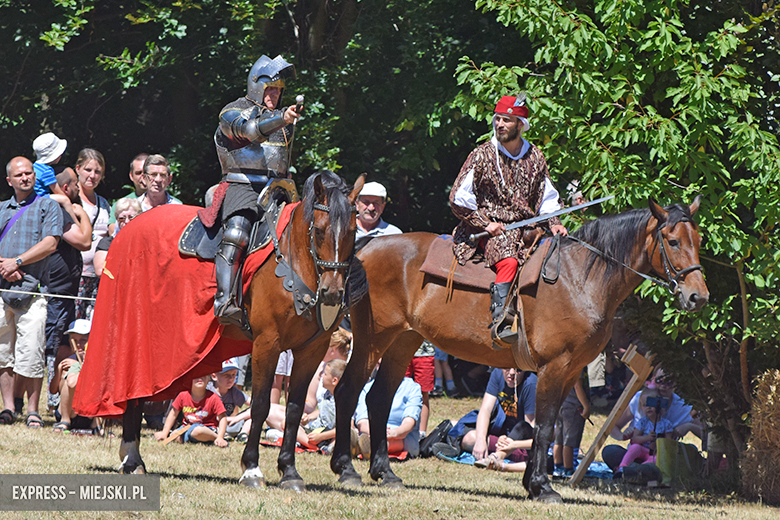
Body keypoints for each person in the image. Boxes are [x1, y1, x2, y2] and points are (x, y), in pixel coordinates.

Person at [449, 94, 567, 341]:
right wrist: (485, 223)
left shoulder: (535, 156)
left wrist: (555, 224)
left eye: (507, 120)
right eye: (498, 119)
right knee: (509, 262)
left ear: (520, 124)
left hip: (529, 228)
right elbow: (458, 197)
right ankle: (501, 321)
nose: (500, 124)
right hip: (491, 228)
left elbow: (547, 196)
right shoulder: (482, 155)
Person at [205, 54, 302, 327]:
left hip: (278, 189)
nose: (275, 94)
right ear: (256, 86)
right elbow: (250, 132)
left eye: (279, 90)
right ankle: (224, 300)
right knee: (237, 231)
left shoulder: (283, 123)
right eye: (270, 88)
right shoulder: (232, 112)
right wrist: (282, 118)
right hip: (241, 185)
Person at [0, 157, 62, 427]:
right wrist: (4, 266)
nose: (25, 177)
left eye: (29, 173)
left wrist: (19, 261)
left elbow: (50, 243)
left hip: (34, 291)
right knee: (3, 352)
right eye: (20, 174)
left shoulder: (48, 205)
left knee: (33, 351)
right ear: (9, 180)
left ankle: (33, 410)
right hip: (2, 289)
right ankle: (8, 408)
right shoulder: (2, 208)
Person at [44, 166, 91, 413]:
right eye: (75, 184)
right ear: (66, 188)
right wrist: (81, 215)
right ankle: (54, 401)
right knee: (53, 344)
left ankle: (63, 398)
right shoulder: (60, 212)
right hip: (55, 291)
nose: (78, 187)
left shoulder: (62, 207)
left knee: (62, 341)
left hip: (66, 292)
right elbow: (84, 241)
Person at [601, 366, 703, 472]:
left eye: (668, 382)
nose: (663, 386)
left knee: (689, 454)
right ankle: (636, 469)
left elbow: (707, 436)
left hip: (661, 459)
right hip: (635, 454)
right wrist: (623, 435)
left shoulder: (683, 408)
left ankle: (636, 471)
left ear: (675, 384)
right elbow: (613, 426)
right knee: (610, 451)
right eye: (659, 381)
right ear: (653, 379)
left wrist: (690, 426)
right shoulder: (640, 398)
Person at [434, 367, 536, 470]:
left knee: (470, 439)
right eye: (507, 368)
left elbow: (527, 430)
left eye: (518, 370)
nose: (512, 373)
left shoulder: (530, 384)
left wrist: (511, 443)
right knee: (455, 424)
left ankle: (492, 456)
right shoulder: (497, 373)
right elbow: (485, 410)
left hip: (517, 444)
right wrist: (480, 441)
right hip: (501, 431)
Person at [73, 148, 110, 320]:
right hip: (75, 275)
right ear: (78, 169)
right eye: (88, 170)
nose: (92, 176)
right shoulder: (71, 200)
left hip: (96, 277)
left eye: (98, 172)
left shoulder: (104, 203)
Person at [353, 375, 424, 458]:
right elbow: (362, 422)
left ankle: (362, 447)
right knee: (367, 436)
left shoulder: (412, 388)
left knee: (390, 441)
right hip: (371, 433)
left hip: (402, 437)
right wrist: (377, 432)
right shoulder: (367, 388)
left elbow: (409, 424)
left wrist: (391, 433)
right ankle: (367, 446)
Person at [49, 319, 98, 432]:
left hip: (89, 414)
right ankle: (65, 420)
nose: (79, 344)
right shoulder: (68, 361)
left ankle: (96, 424)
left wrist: (82, 366)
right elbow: (53, 390)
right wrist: (59, 370)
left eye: (83, 340)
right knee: (67, 374)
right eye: (75, 340)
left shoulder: (97, 361)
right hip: (69, 412)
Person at [154, 374, 228, 447]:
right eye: (196, 375)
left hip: (207, 428)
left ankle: (216, 439)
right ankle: (193, 439)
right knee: (175, 436)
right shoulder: (183, 395)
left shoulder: (213, 397)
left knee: (197, 431)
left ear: (208, 379)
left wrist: (220, 437)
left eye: (204, 375)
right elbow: (173, 414)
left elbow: (223, 417)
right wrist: (165, 432)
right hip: (186, 427)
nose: (200, 377)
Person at [552, 370, 590, 478]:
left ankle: (557, 468)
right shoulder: (578, 362)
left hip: (560, 403)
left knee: (559, 438)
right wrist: (586, 406)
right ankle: (568, 470)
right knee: (569, 441)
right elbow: (577, 386)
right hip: (573, 406)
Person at [93, 198, 142, 277]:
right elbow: (100, 271)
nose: (126, 221)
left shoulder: (145, 242)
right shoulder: (107, 243)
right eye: (122, 218)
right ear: (116, 218)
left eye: (131, 217)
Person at [208, 358, 250, 441]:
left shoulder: (234, 391)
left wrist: (238, 418)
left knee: (252, 417)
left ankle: (243, 434)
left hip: (230, 424)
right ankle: (222, 434)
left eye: (234, 374)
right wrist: (228, 419)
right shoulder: (208, 390)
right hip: (213, 425)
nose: (231, 378)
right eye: (226, 375)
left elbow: (255, 405)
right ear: (214, 376)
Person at [108, 153, 148, 231]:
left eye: (146, 172)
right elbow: (112, 231)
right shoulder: (120, 204)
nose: (143, 176)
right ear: (131, 176)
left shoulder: (172, 203)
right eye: (138, 173)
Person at [405, 340, 435, 437]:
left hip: (425, 353)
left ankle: (421, 433)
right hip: (402, 352)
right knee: (400, 390)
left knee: (424, 393)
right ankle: (400, 427)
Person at [32, 132, 67, 197]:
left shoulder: (34, 166)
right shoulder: (46, 171)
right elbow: (57, 191)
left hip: (32, 197)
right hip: (41, 198)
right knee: (64, 200)